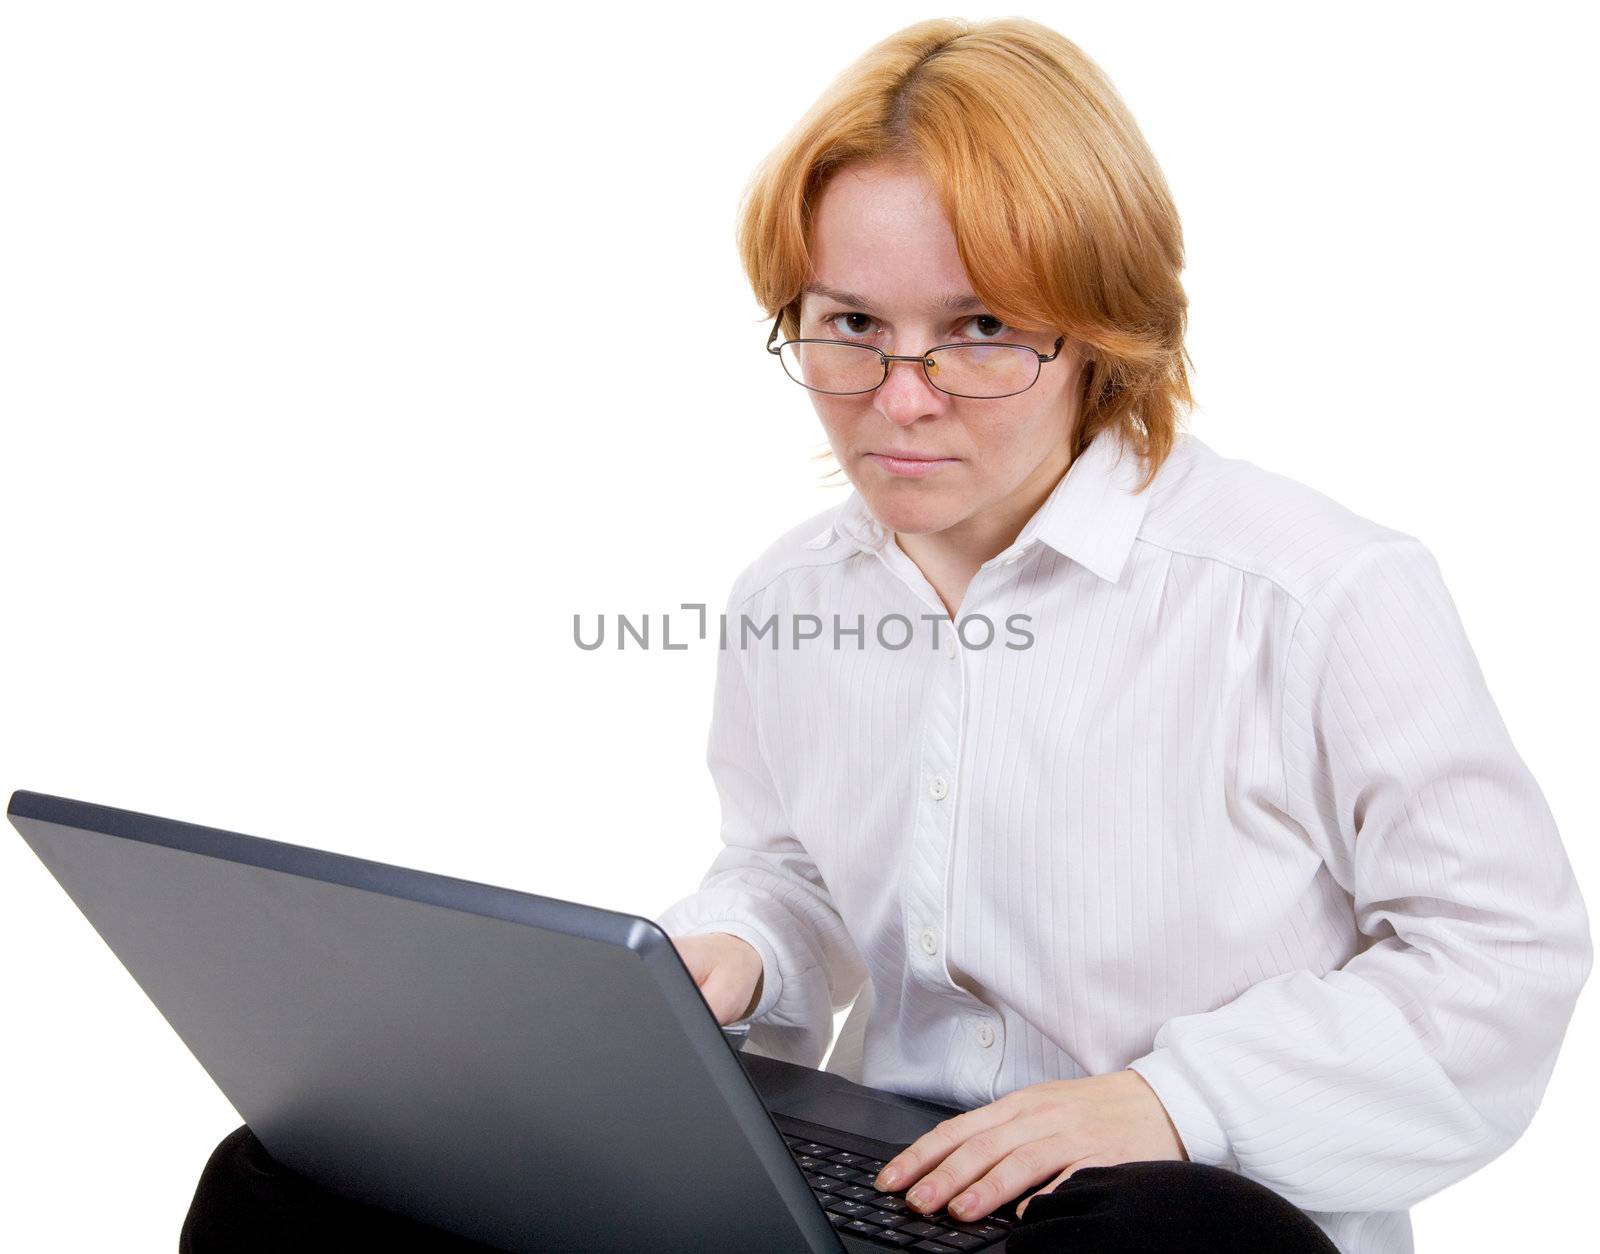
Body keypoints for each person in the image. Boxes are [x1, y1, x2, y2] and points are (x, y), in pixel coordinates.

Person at [181, 17, 1591, 1253]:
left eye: (980, 328)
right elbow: (792, 866)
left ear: (1103, 328)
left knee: (1170, 1242)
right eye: (850, 323)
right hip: (890, 1177)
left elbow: (1501, 956)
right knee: (284, 1179)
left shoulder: (1315, 592)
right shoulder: (792, 596)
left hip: (1176, 1205)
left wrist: (1171, 1098)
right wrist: (731, 949)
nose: (899, 397)